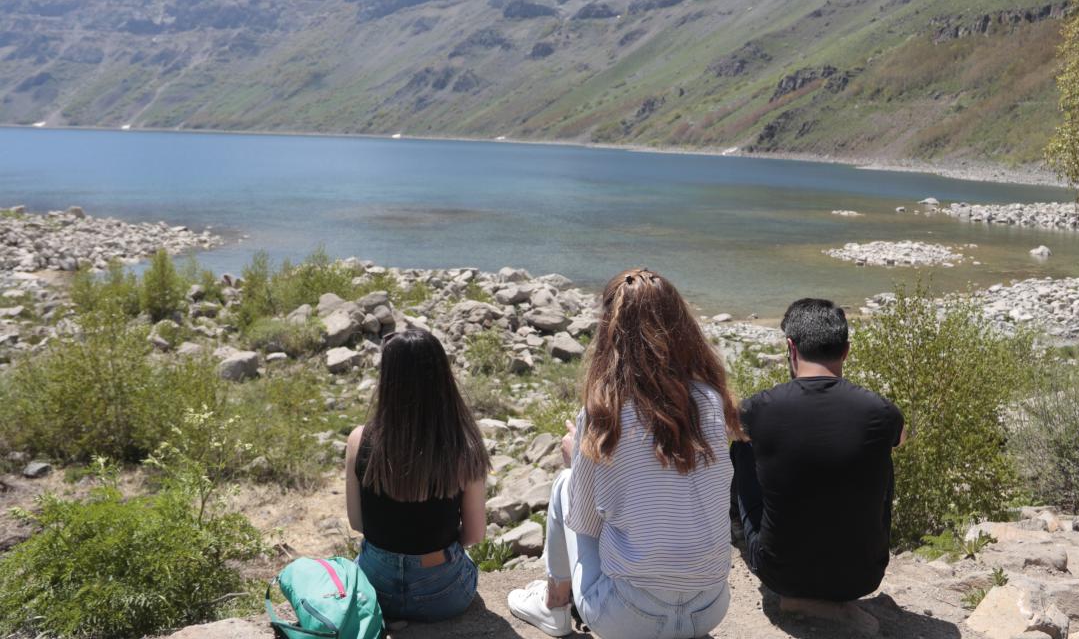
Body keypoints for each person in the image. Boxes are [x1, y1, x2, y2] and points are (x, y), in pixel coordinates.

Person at [507, 268, 739, 639]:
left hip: (632, 619)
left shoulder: (605, 415)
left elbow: (582, 522)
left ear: (610, 333)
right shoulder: (711, 402)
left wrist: (580, 460)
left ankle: (554, 605)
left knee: (565, 486)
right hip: (710, 608)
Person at [731, 298, 904, 620]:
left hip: (782, 574)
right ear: (846, 350)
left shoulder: (758, 409)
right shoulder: (880, 410)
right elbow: (902, 438)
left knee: (743, 445)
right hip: (862, 575)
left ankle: (740, 537)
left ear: (790, 348)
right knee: (883, 446)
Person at [344, 330, 489, 623]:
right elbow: (474, 535)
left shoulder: (359, 440)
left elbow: (358, 523)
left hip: (375, 590)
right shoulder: (464, 444)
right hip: (444, 595)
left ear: (387, 380)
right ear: (442, 378)